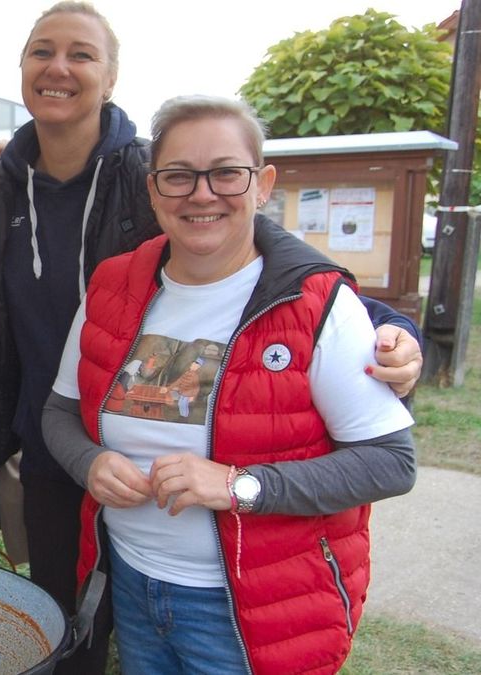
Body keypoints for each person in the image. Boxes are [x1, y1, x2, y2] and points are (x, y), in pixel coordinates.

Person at [0, 3, 423, 671]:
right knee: (70, 644)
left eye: (82, 53)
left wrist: (394, 330)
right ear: (159, 187)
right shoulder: (1, 194)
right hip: (84, 496)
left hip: (243, 590)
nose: (201, 191)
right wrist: (75, 459)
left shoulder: (157, 178)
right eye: (42, 50)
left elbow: (293, 288)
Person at [43, 95, 416, 674]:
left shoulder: (316, 303)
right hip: (135, 587)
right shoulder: (113, 284)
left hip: (256, 610)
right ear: (152, 189)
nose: (201, 194)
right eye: (179, 176)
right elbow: (58, 414)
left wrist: (239, 487)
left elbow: (391, 462)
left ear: (262, 184)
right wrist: (88, 462)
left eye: (225, 173)